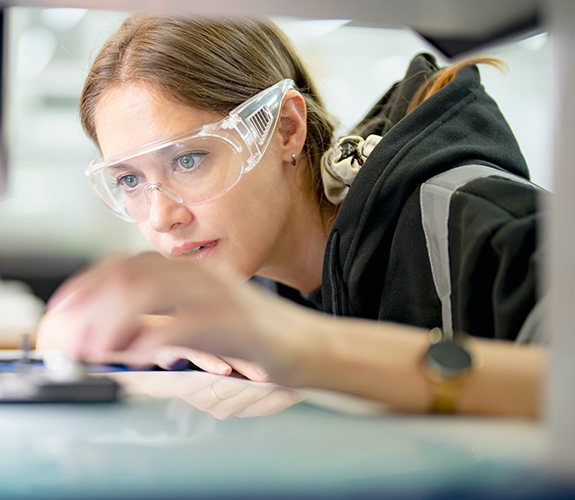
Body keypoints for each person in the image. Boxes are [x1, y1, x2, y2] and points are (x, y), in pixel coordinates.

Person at [37, 14, 546, 418]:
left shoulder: (466, 217)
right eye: (129, 180)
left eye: (188, 160)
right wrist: (70, 343)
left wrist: (316, 358)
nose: (162, 215)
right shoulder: (250, 270)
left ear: (284, 130)